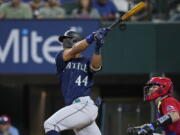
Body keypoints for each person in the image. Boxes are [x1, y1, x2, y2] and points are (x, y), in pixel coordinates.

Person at [43, 27, 110, 135]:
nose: (63, 42)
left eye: (66, 39)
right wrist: (92, 37)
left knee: (50, 124)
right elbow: (74, 50)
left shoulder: (87, 61)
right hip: (77, 109)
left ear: (74, 40)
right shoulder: (61, 58)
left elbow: (96, 67)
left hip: (83, 105)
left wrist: (97, 48)